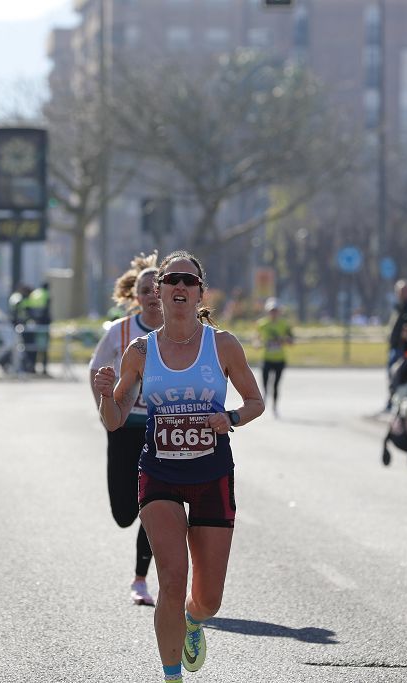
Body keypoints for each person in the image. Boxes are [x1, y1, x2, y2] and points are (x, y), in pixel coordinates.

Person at [93, 250, 264, 682]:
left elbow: (255, 401)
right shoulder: (139, 350)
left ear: (200, 292)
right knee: (171, 578)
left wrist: (232, 418)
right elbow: (115, 421)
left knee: (208, 599)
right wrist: (105, 395)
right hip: (160, 473)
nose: (180, 288)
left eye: (190, 281)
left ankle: (193, 620)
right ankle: (172, 676)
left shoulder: (222, 344)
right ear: (159, 291)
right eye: (173, 281)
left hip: (211, 474)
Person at [89, 253, 162, 607]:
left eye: (157, 289)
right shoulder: (121, 330)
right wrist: (106, 412)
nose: (153, 295)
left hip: (159, 431)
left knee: (154, 504)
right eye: (145, 290)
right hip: (123, 428)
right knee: (124, 514)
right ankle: (136, 510)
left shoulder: (178, 331)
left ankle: (140, 579)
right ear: (136, 297)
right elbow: (96, 368)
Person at [257, 297, 293, 417]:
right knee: (265, 383)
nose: (273, 313)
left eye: (275, 310)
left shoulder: (284, 324)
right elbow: (256, 339)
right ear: (267, 311)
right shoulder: (262, 324)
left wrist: (285, 340)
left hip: (279, 359)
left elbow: (291, 340)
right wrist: (257, 343)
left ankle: (275, 406)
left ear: (279, 311)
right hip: (266, 359)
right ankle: (264, 399)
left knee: (276, 384)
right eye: (271, 310)